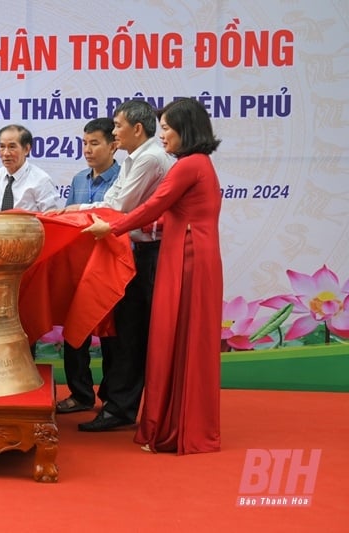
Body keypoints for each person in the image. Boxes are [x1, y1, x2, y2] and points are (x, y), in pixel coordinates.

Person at [84, 98, 223, 454]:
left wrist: (111, 229)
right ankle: (174, 421)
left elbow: (151, 206)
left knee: (171, 340)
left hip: (185, 258)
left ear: (184, 130)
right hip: (191, 252)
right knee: (178, 341)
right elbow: (164, 216)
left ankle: (172, 427)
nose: (162, 135)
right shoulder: (198, 164)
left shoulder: (187, 166)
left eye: (166, 128)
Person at [69, 100, 174, 432]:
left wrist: (73, 213)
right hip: (138, 253)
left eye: (117, 126)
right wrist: (74, 211)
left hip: (154, 253)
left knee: (133, 333)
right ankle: (117, 403)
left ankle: (122, 408)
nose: (114, 132)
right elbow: (111, 200)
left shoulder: (151, 159)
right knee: (125, 329)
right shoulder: (134, 159)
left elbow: (117, 206)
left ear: (136, 129)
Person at [54, 118, 119, 415]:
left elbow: (119, 217)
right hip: (79, 268)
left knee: (112, 337)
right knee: (75, 332)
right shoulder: (79, 179)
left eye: (95, 143)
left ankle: (112, 398)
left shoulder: (124, 178)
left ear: (113, 145)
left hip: (110, 267)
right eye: (85, 143)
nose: (88, 150)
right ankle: (80, 394)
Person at [0, 124, 61, 212]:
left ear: (26, 149)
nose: (6, 153)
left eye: (12, 147)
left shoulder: (41, 180)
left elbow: (51, 219)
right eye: (2, 146)